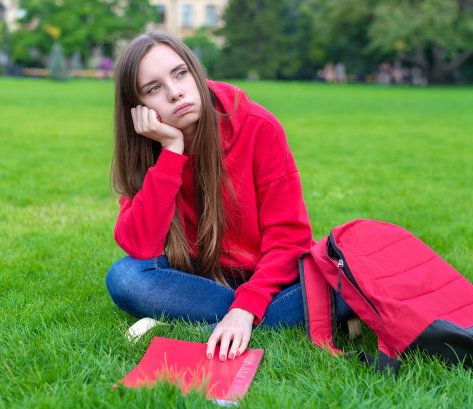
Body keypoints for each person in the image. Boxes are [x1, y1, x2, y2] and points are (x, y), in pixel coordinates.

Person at [105, 31, 354, 362]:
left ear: (195, 71)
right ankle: (251, 315)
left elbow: (289, 239)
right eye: (154, 88)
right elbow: (141, 246)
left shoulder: (258, 126)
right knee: (125, 278)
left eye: (180, 73)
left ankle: (214, 319)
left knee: (350, 283)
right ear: (139, 109)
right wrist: (171, 153)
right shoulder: (146, 150)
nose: (175, 92)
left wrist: (246, 305)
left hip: (270, 276)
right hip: (201, 275)